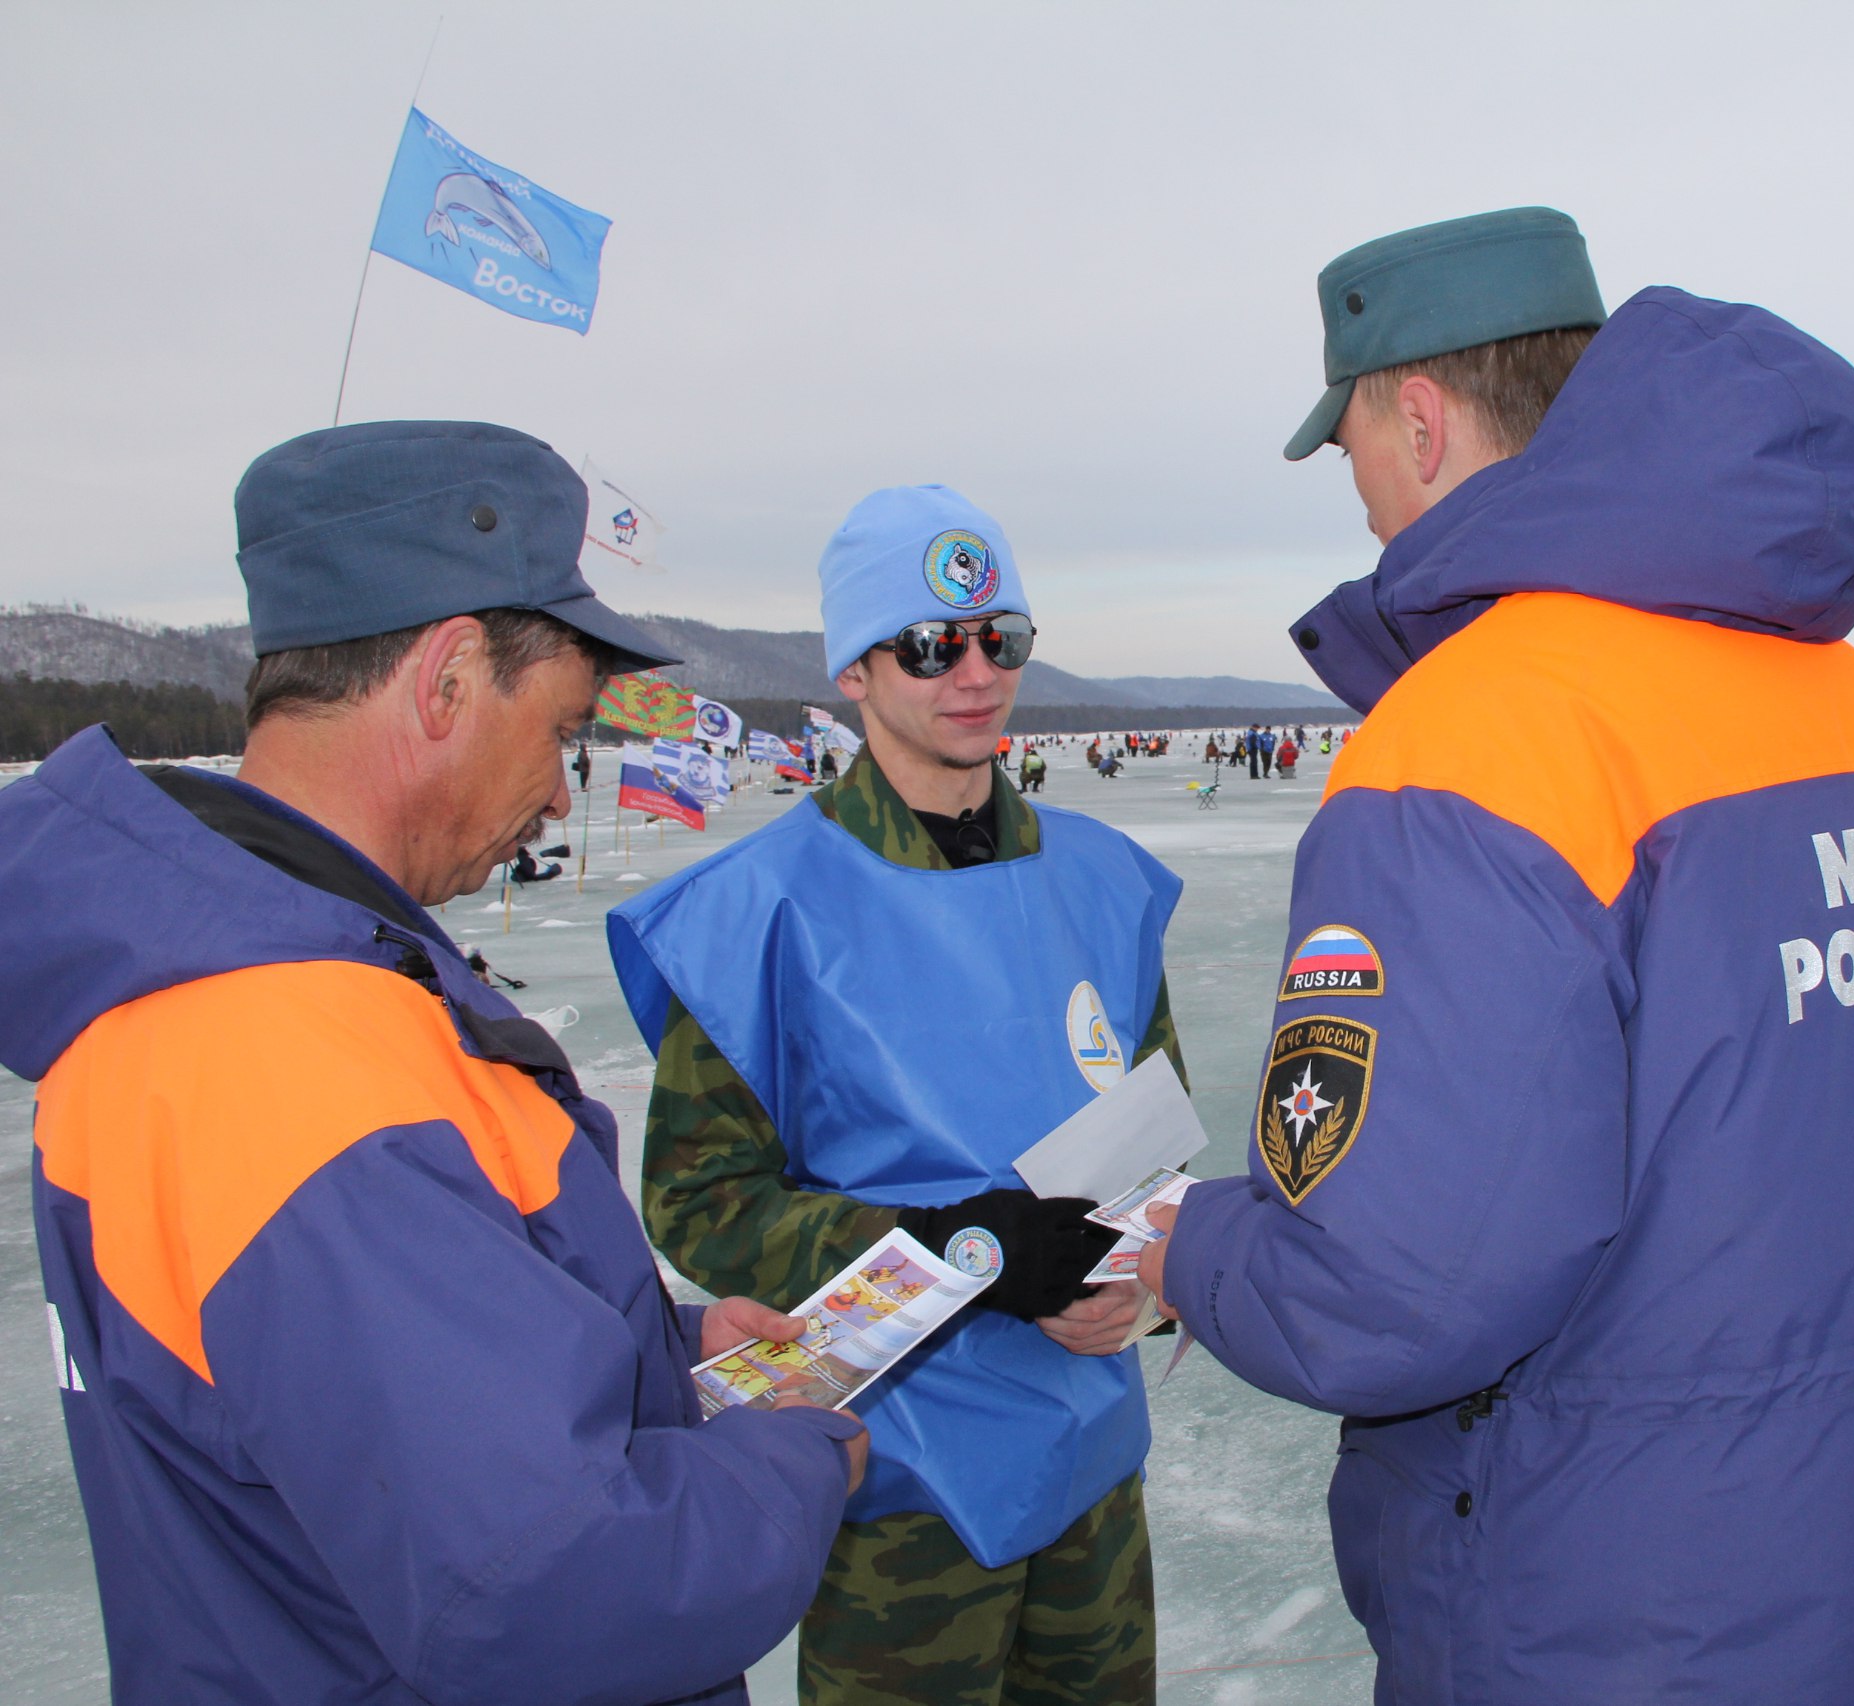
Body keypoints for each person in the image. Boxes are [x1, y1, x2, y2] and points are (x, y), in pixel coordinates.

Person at [1136, 209, 1854, 1700]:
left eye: (1349, 440)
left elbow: (1391, 1285)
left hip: (1618, 1605)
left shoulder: (1487, 731)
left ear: (1419, 420)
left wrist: (1190, 1248)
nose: (1357, 488)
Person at [0, 421, 867, 1705]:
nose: (563, 793)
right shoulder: (288, 1060)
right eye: (563, 729)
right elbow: (548, 1582)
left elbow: (336, 1394)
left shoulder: (221, 989)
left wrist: (660, 1356)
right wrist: (791, 1458)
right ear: (449, 677)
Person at [610, 485, 1177, 1706]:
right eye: (929, 644)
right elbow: (703, 1200)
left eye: (1001, 639)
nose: (975, 674)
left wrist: (1143, 1280)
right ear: (853, 671)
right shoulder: (760, 910)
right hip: (899, 1485)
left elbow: (1155, 1144)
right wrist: (951, 1248)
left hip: (1090, 1461)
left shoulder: (1105, 882)